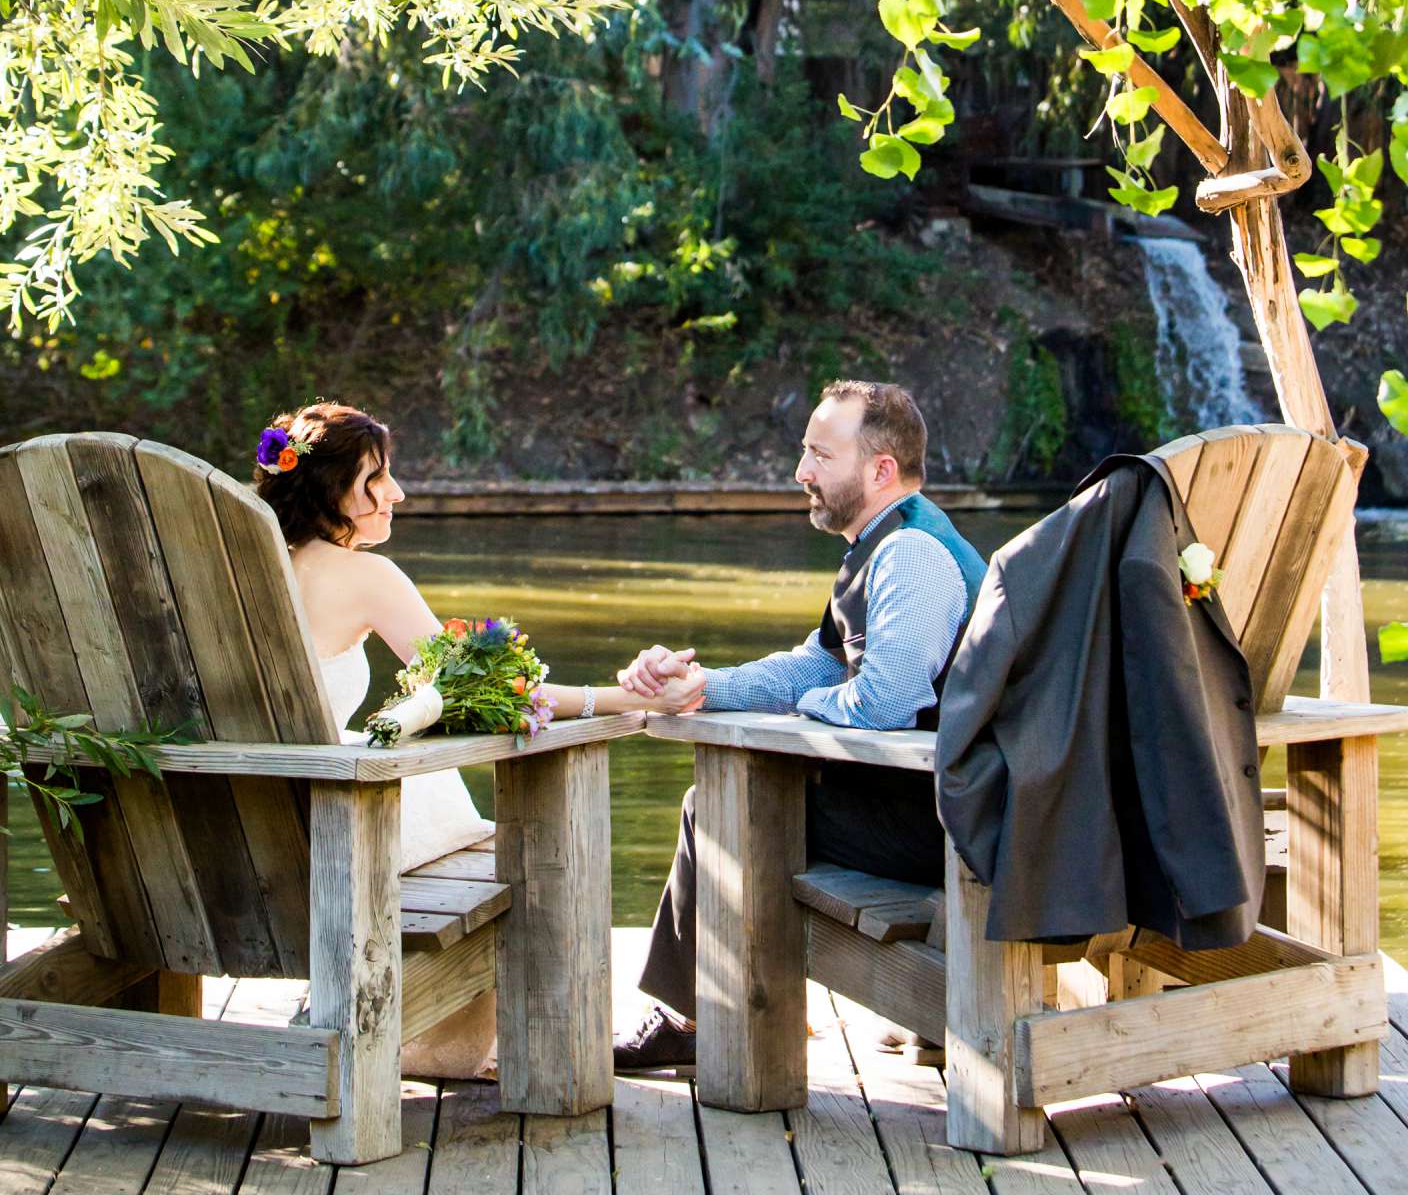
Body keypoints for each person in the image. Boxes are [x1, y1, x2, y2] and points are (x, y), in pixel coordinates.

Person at [611, 378, 987, 1074]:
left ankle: (692, 1020)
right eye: (805, 452)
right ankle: (710, 1007)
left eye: (820, 455)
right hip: (936, 802)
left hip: (949, 820)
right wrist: (705, 688)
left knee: (721, 807)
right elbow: (814, 665)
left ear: (880, 470)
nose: (801, 473)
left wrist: (806, 704)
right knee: (732, 797)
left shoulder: (911, 556)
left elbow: (884, 704)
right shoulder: (882, 545)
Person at [253, 400, 700, 874]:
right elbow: (486, 691)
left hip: (252, 816)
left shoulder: (255, 568)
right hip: (323, 833)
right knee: (525, 862)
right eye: (378, 477)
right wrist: (635, 700)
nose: (398, 493)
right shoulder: (366, 575)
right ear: (332, 488)